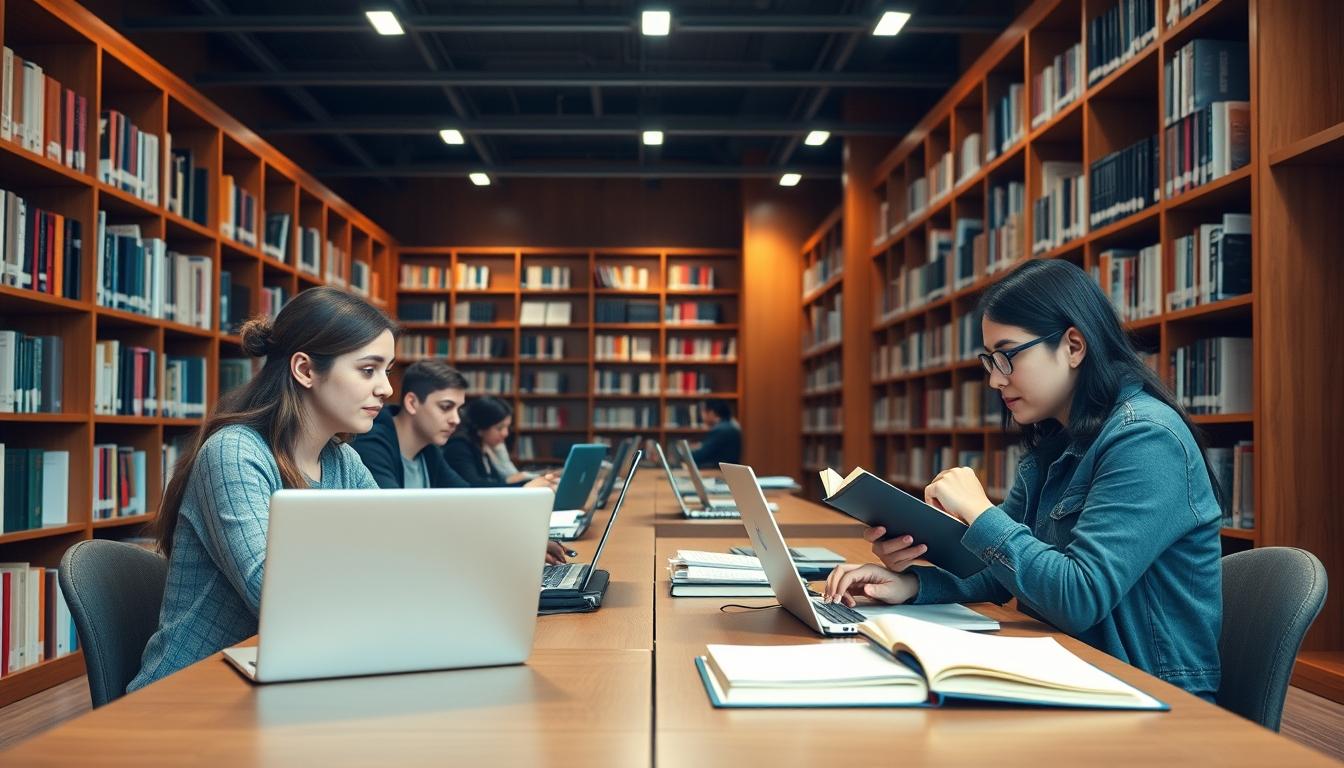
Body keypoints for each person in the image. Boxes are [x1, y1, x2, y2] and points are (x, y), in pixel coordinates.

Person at [823, 259, 1224, 700]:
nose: (995, 379)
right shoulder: (1058, 440)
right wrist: (911, 585)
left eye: (1008, 356)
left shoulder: (1146, 440)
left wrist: (980, 512)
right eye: (990, 360)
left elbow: (1078, 596)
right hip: (1074, 670)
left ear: (1073, 346)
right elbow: (999, 575)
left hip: (1147, 693)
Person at [129, 287, 398, 692]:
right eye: (368, 370)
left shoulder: (344, 463)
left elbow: (395, 563)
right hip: (192, 692)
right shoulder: (235, 453)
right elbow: (276, 596)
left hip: (292, 675)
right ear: (305, 370)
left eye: (388, 370)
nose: (386, 389)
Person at [352, 361, 567, 564]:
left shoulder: (429, 451)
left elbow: (469, 500)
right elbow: (398, 522)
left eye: (458, 409)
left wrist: (525, 540)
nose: (456, 419)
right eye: (446, 407)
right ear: (412, 403)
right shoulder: (372, 445)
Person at [443, 396, 556, 488]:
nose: (505, 434)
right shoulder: (458, 447)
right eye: (499, 428)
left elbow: (495, 481)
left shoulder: (484, 446)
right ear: (480, 427)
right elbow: (474, 486)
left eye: (507, 427)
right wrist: (524, 486)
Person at [690, 398, 741, 467]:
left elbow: (700, 456)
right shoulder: (730, 425)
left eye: (703, 411)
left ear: (711, 412)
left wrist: (687, 453)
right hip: (728, 470)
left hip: (718, 472)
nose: (702, 416)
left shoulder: (720, 430)